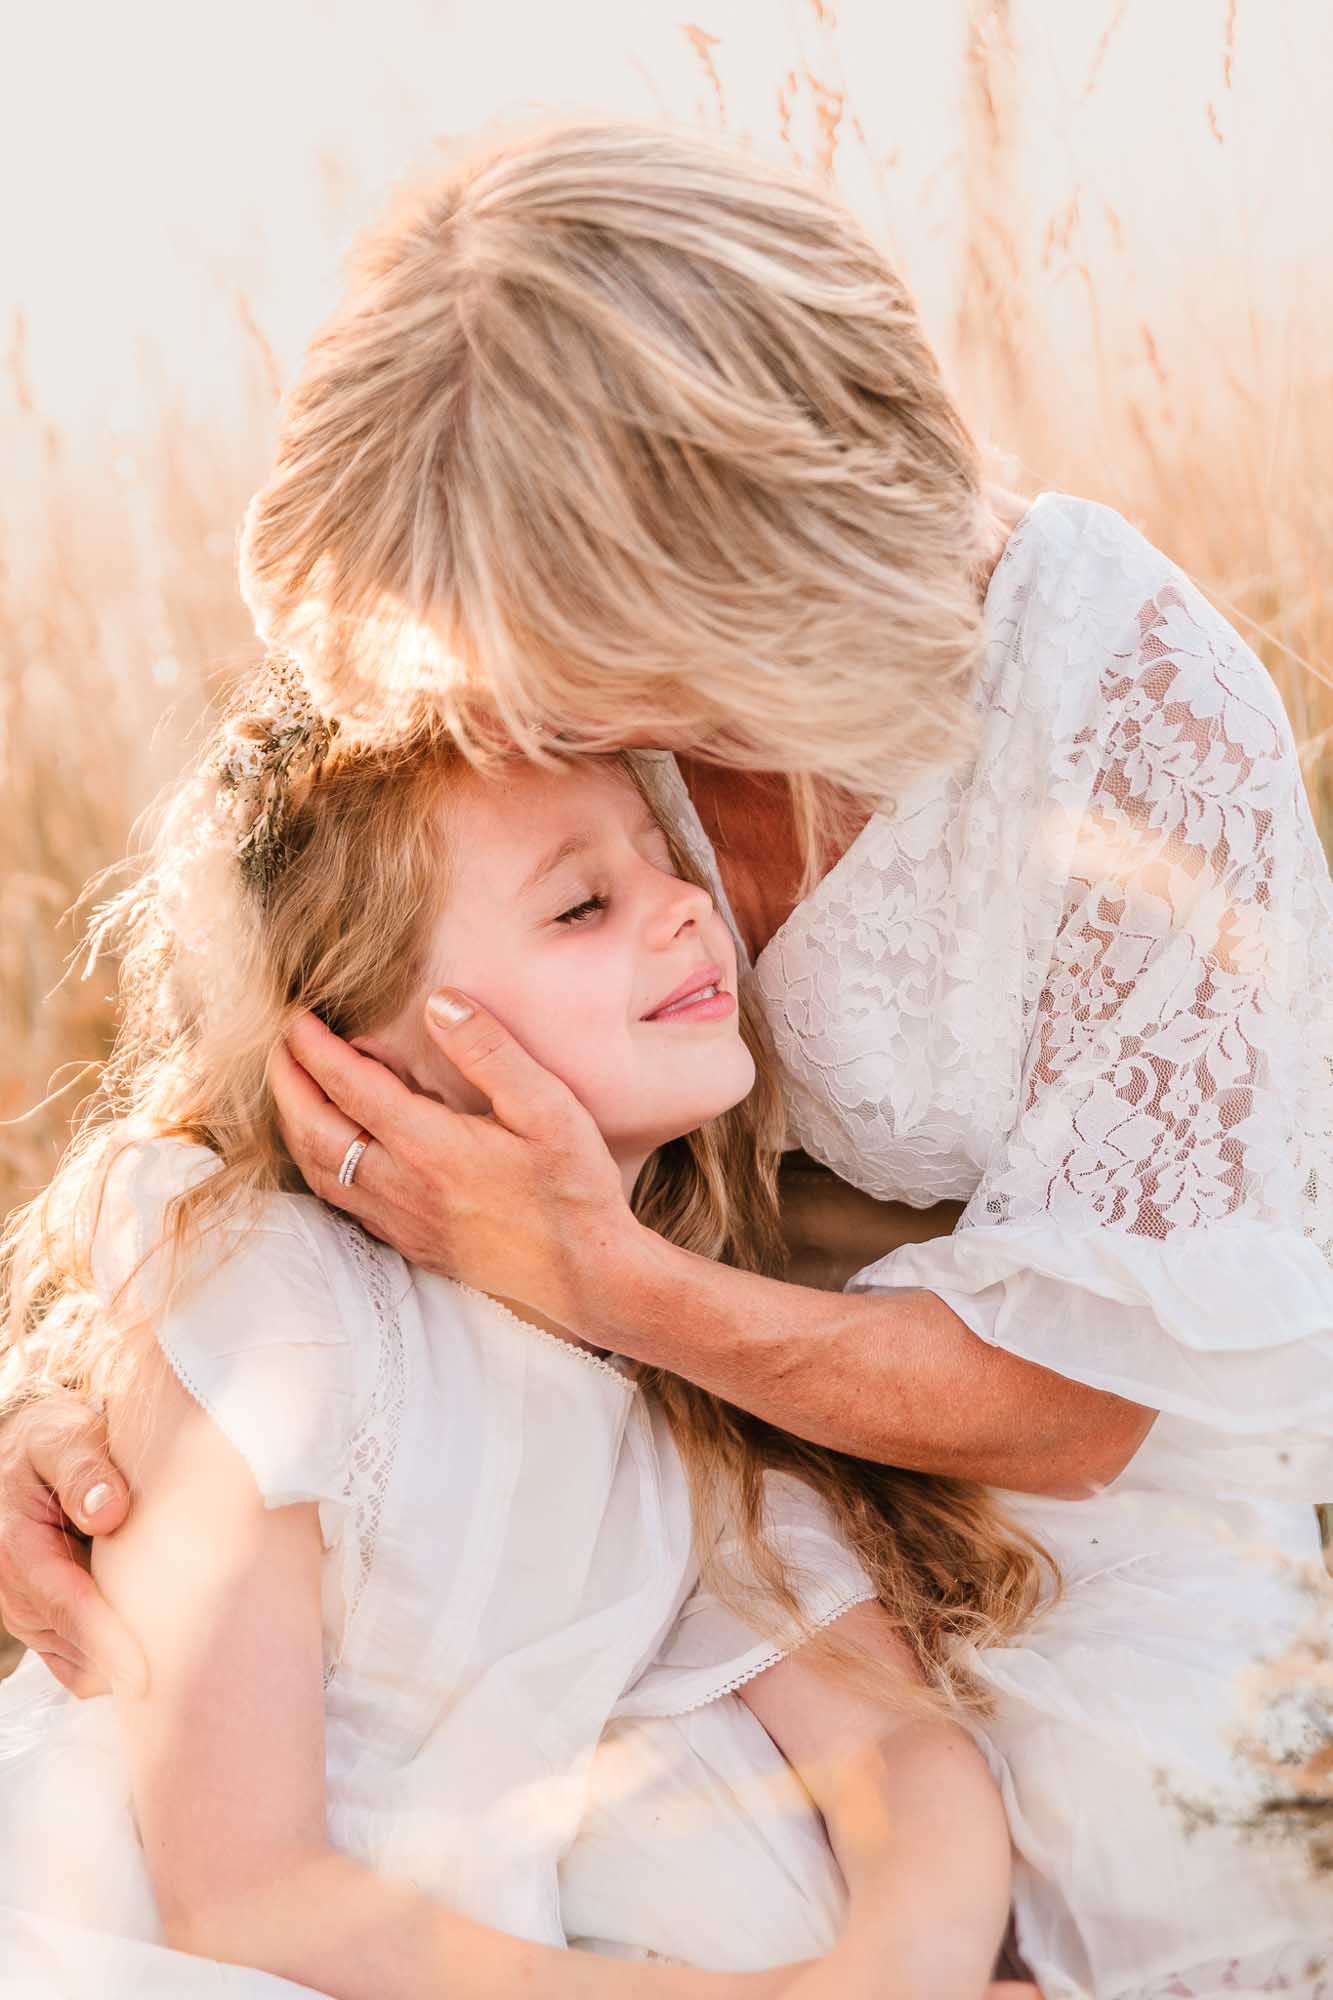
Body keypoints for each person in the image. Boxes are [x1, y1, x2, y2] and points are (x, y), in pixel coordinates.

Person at [4, 116, 1333, 1992]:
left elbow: (1078, 1412)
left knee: (1149, 1862)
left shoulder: (1134, 723)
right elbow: (284, 1038)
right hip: (632, 1436)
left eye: (579, 671)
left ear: (738, 580)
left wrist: (602, 1281)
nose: (524, 722)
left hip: (1031, 1477)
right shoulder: (496, 646)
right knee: (658, 1849)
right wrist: (101, 1407)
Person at [0, 663, 1044, 1999]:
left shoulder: (678, 1381)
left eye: (663, 861)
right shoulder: (278, 1303)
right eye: (581, 903)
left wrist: (911, 1963)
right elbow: (238, 1896)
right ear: (355, 1056)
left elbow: (895, 1744)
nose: (683, 906)